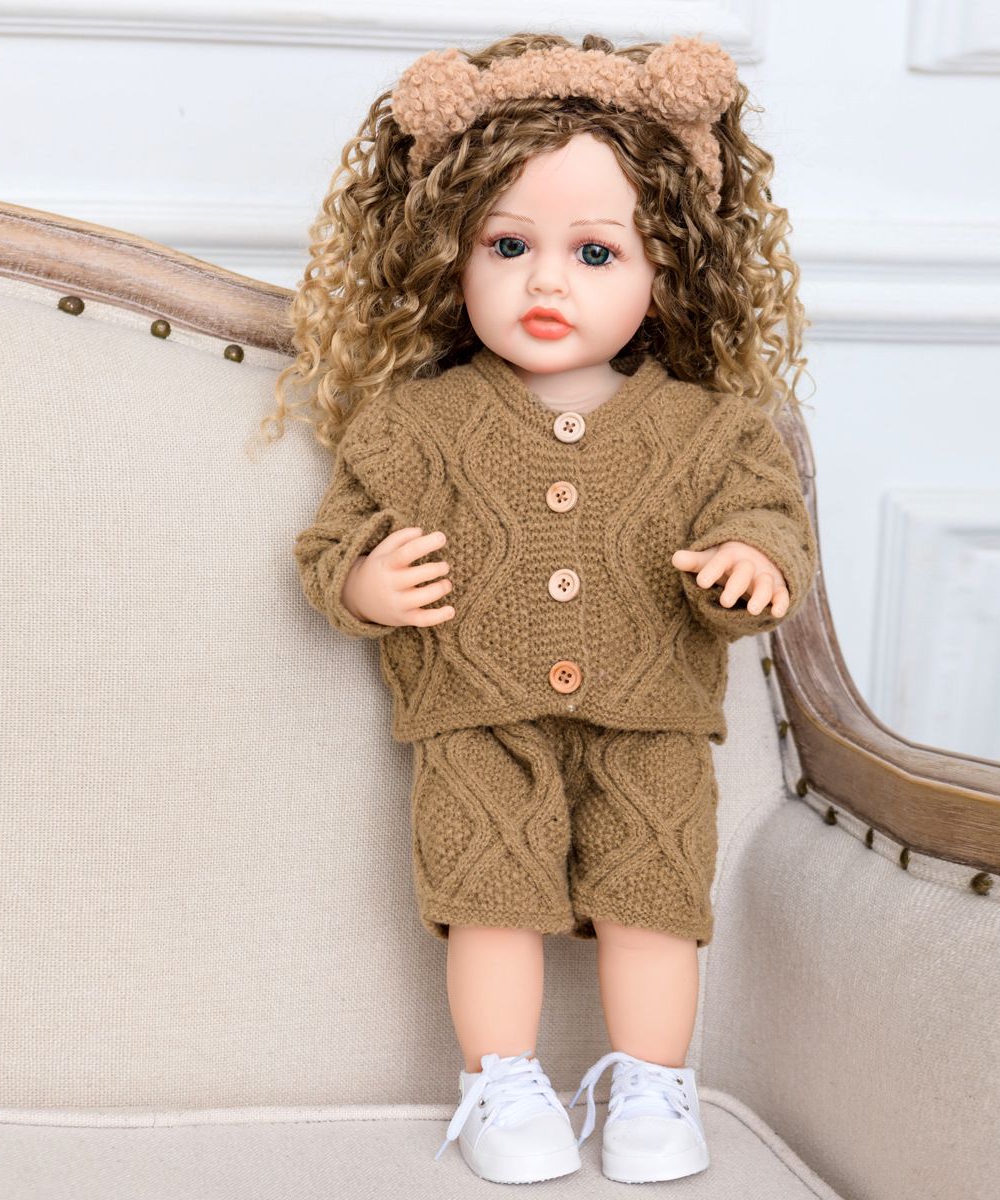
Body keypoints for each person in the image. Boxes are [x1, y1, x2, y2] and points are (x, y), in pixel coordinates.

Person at [255, 30, 818, 1185]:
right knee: (487, 902)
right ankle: (501, 1083)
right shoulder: (415, 424)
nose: (547, 282)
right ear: (450, 253)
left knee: (654, 903)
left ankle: (655, 1087)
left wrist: (753, 563)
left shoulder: (714, 428)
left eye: (596, 252)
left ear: (669, 266)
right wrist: (363, 579)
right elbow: (330, 541)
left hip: (653, 724)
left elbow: (770, 523)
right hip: (477, 723)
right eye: (508, 245)